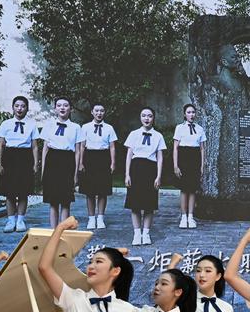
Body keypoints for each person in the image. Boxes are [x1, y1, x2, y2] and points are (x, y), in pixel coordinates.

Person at [0, 95, 39, 233]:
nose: (20, 109)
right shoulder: (6, 124)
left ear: (27, 108)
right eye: (17, 106)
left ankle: (20, 219)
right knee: (9, 192)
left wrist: (35, 163)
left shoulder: (32, 125)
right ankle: (10, 220)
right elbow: (1, 145)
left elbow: (34, 146)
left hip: (25, 157)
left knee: (23, 191)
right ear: (13, 108)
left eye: (23, 106)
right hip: (9, 157)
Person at [124, 107, 166, 246]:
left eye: (149, 116)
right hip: (136, 169)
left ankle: (146, 233)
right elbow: (129, 155)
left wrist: (158, 176)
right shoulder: (134, 134)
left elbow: (160, 157)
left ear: (153, 118)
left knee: (149, 204)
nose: (146, 118)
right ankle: (137, 233)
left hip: (150, 170)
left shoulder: (158, 136)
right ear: (140, 117)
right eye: (144, 115)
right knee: (135, 204)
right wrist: (127, 174)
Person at [41, 97, 84, 228]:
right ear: (55, 109)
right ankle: (54, 231)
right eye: (59, 105)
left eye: (65, 105)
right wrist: (43, 169)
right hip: (52, 160)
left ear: (70, 109)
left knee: (65, 200)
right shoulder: (49, 125)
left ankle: (63, 231)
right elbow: (45, 149)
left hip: (67, 161)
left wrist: (75, 173)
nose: (62, 108)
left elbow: (77, 151)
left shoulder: (76, 127)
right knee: (53, 200)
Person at [79, 102, 117, 230]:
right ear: (92, 112)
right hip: (89, 157)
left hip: (103, 157)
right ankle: (91, 218)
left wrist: (112, 162)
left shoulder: (109, 128)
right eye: (96, 111)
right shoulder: (85, 127)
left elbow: (112, 147)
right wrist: (81, 162)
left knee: (102, 190)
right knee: (89, 191)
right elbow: (82, 146)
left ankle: (100, 218)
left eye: (101, 111)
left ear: (104, 112)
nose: (99, 113)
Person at [173, 103, 206, 229]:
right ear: (184, 114)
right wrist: (176, 165)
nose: (191, 115)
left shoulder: (200, 129)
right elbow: (175, 148)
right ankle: (183, 216)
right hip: (183, 159)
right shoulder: (179, 128)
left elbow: (202, 149)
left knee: (192, 189)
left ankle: (191, 216)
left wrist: (202, 165)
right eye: (188, 112)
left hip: (195, 159)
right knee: (184, 189)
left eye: (193, 112)